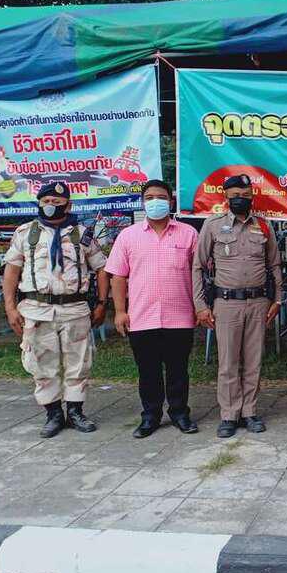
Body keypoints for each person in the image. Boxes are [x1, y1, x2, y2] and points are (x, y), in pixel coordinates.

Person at [2, 182, 109, 438]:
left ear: (68, 205)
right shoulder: (25, 233)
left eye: (57, 202)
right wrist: (10, 307)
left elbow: (102, 268)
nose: (51, 206)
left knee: (79, 363)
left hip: (75, 309)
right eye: (46, 201)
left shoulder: (82, 234)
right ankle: (53, 414)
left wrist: (102, 303)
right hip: (36, 310)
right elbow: (12, 271)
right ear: (39, 203)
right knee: (41, 364)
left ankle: (75, 412)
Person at [105, 180, 199, 439]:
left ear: (171, 201)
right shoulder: (128, 236)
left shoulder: (189, 234)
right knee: (148, 371)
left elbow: (198, 274)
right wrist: (120, 311)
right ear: (142, 202)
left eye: (161, 197)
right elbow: (118, 277)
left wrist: (200, 307)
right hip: (141, 317)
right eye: (149, 197)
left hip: (180, 316)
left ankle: (180, 413)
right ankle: (150, 416)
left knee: (178, 369)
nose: (155, 201)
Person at [192, 174, 282, 438]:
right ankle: (229, 414)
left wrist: (277, 299)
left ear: (251, 196)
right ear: (226, 197)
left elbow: (274, 265)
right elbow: (198, 266)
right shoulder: (213, 225)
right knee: (228, 362)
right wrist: (200, 305)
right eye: (235, 196)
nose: (240, 200)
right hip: (226, 303)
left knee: (254, 361)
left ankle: (250, 411)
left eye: (245, 195)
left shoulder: (263, 225)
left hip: (258, 302)